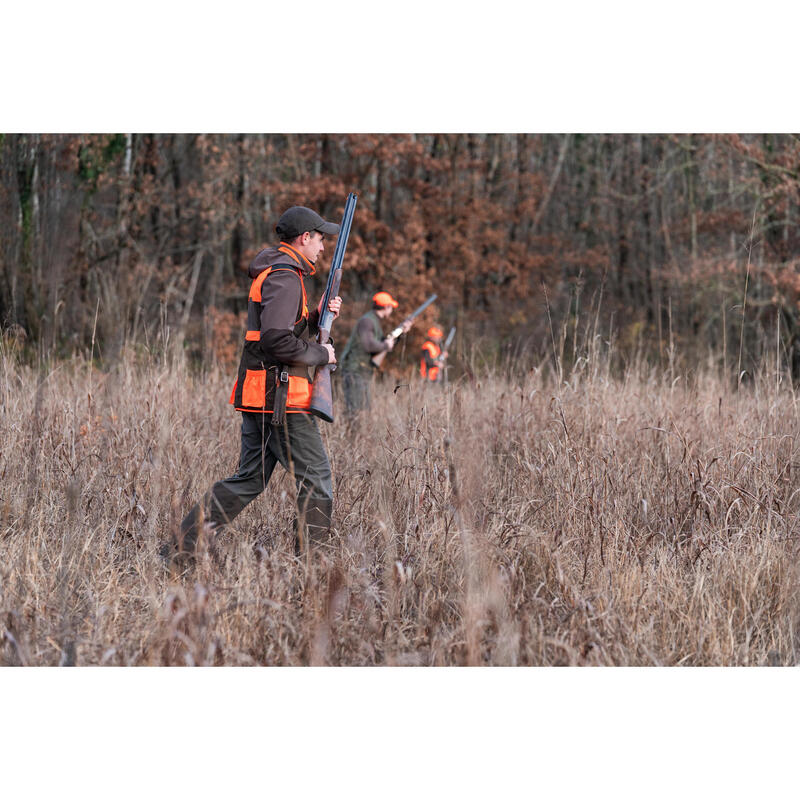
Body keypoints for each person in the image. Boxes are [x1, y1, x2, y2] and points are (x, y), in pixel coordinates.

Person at [167, 205, 343, 564]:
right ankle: (311, 571)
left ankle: (180, 551)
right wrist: (322, 354)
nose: (323, 247)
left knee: (249, 480)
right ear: (304, 238)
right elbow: (275, 341)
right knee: (318, 480)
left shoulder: (279, 273)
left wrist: (314, 318)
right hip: (281, 400)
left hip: (262, 395)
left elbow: (279, 331)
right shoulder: (286, 278)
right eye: (320, 239)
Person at [338, 291, 410, 416]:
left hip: (362, 370)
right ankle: (352, 434)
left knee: (363, 408)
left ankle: (358, 434)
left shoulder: (373, 320)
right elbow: (369, 345)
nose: (392, 310)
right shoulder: (367, 321)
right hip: (355, 370)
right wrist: (386, 345)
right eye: (391, 307)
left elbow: (382, 345)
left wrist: (401, 333)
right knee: (355, 409)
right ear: (386, 307)